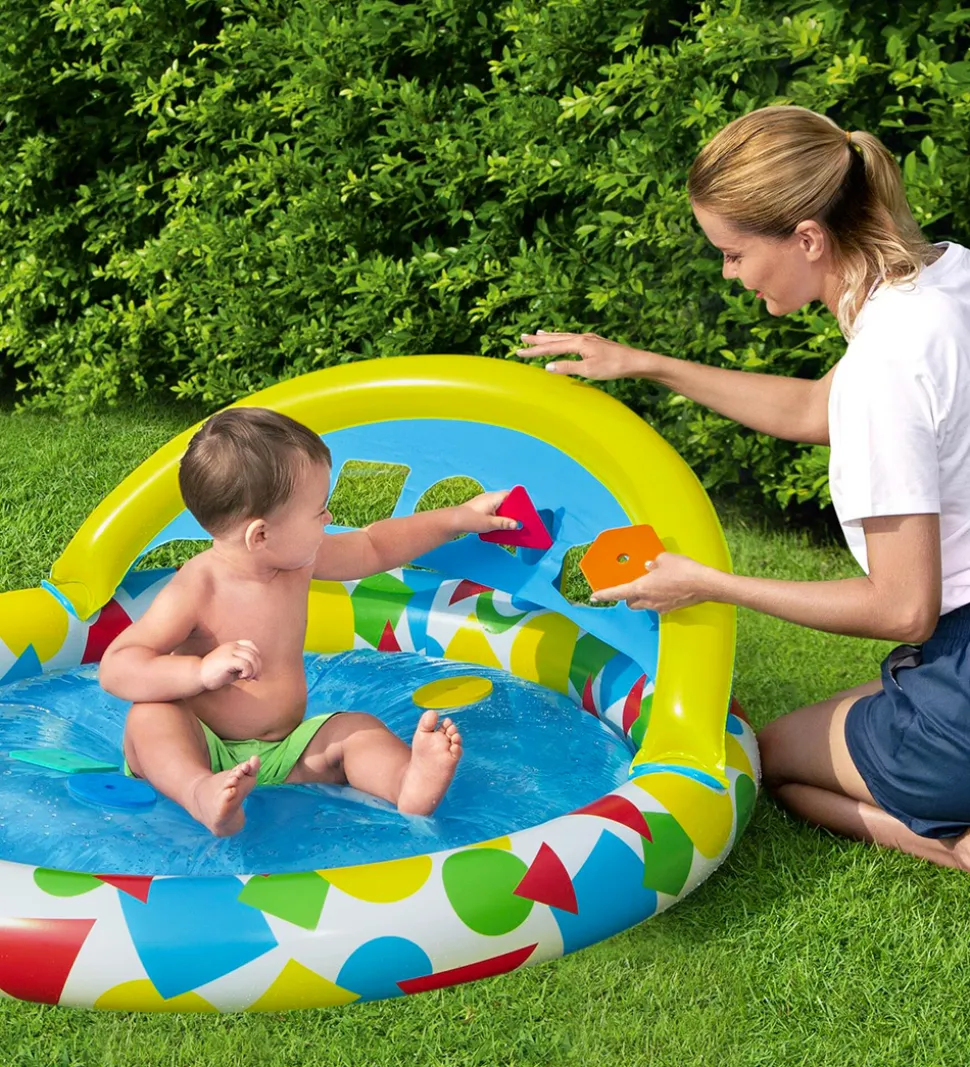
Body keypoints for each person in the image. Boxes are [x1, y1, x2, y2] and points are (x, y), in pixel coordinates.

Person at [517, 104, 970, 870]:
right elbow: (813, 407)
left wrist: (710, 583)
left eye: (733, 253)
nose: (729, 273)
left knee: (768, 760)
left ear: (807, 238)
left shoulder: (884, 369)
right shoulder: (944, 278)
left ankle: (957, 842)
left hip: (961, 677)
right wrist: (644, 362)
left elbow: (903, 607)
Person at [99, 407, 517, 836]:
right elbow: (116, 667)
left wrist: (456, 518)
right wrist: (199, 672)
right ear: (261, 535)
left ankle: (406, 781)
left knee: (356, 731)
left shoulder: (299, 560)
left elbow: (374, 545)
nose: (329, 519)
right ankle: (199, 792)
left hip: (287, 750)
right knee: (151, 717)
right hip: (200, 746)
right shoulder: (197, 588)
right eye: (319, 511)